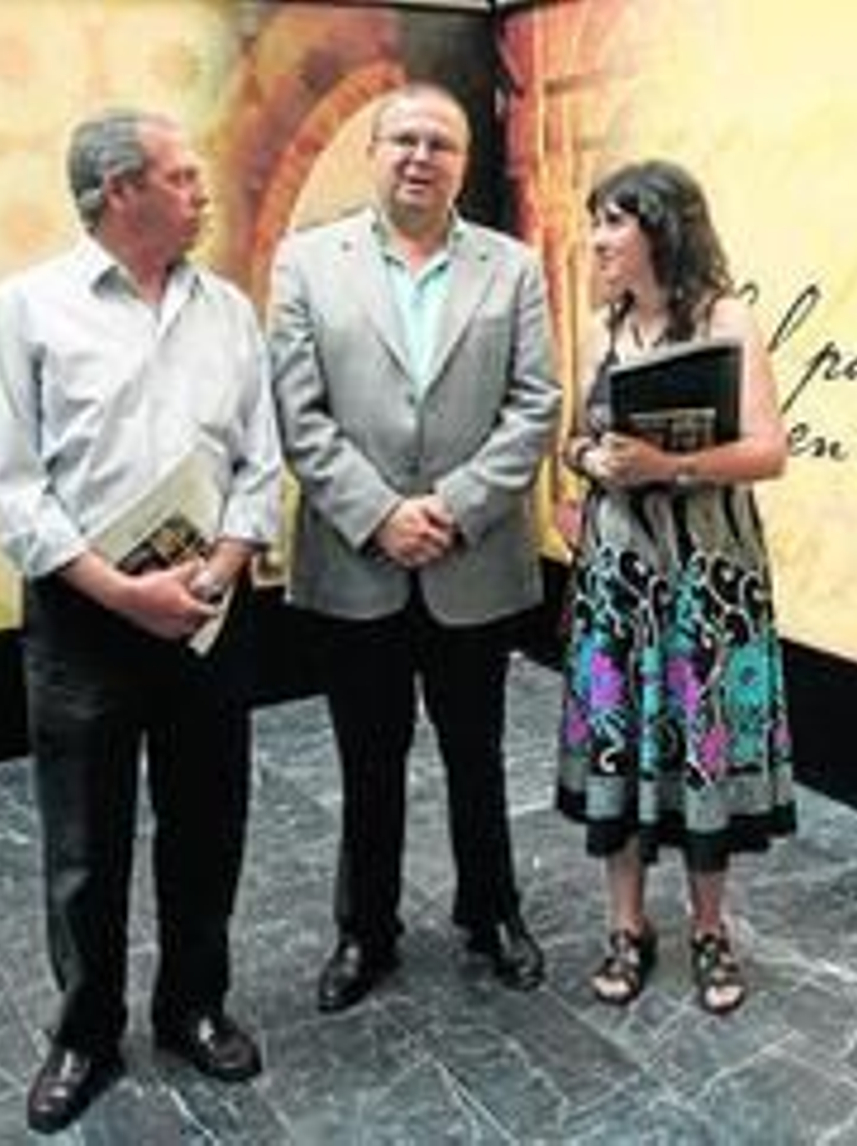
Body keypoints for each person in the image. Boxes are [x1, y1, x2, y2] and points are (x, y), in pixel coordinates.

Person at [0, 108, 280, 1134]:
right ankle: (83, 1033)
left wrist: (224, 564)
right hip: (84, 616)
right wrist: (117, 589)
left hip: (207, 609)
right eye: (182, 176)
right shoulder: (21, 311)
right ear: (119, 194)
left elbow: (259, 461)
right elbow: (13, 490)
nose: (202, 191)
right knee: (83, 844)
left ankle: (193, 1004)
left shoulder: (228, 311)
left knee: (207, 823)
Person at [268, 81, 560, 1012]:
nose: (421, 156)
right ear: (374, 152)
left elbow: (536, 404)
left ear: (462, 164)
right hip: (358, 561)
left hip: (471, 564)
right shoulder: (308, 264)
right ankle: (366, 932)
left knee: (477, 753)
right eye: (405, 139)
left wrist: (454, 506)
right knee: (368, 759)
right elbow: (297, 411)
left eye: (441, 143)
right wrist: (380, 513)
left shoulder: (510, 267)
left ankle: (493, 913)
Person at [554, 159, 796, 1016]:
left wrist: (669, 465)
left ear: (662, 227)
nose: (598, 242)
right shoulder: (600, 328)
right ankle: (626, 925)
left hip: (709, 577)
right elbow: (572, 442)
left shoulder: (728, 319)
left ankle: (707, 928)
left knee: (701, 745)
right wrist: (592, 461)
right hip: (619, 575)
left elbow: (769, 451)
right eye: (595, 224)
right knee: (621, 746)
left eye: (613, 223)